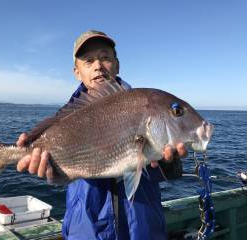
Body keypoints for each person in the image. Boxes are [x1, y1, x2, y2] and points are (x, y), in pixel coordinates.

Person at [16, 30, 187, 240]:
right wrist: (50, 171)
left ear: (117, 64)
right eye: (88, 61)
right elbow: (60, 177)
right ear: (77, 72)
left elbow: (171, 173)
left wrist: (169, 162)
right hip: (85, 232)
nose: (98, 65)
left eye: (105, 57)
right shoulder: (68, 117)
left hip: (143, 232)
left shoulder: (144, 106)